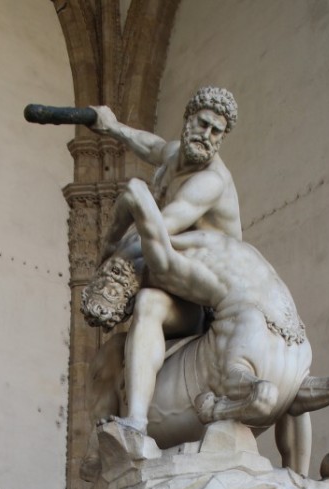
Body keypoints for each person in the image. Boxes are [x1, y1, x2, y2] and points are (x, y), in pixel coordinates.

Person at [87, 87, 241, 431]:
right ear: (188, 120)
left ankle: (136, 422)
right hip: (179, 282)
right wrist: (113, 127)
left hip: (209, 301)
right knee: (112, 352)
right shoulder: (175, 155)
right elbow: (151, 146)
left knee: (149, 305)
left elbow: (159, 230)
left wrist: (114, 258)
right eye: (203, 124)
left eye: (216, 131)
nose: (207, 135)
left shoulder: (210, 182)